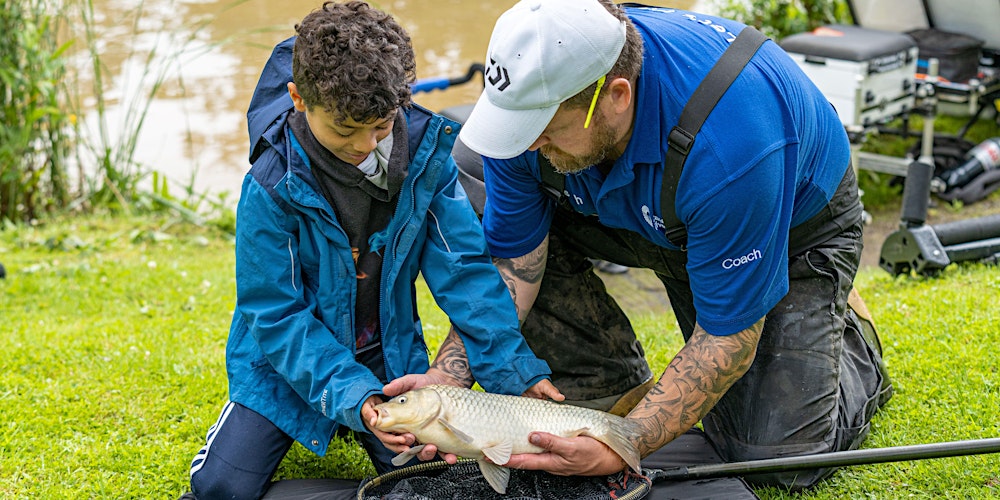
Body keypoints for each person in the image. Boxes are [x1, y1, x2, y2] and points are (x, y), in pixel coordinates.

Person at [454, 0, 894, 490]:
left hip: (787, 224)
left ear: (616, 96)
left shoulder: (731, 145)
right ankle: (601, 379)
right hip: (640, 207)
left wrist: (626, 439)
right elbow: (515, 265)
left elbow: (726, 342)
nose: (526, 143)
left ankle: (839, 327)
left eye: (543, 130)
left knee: (775, 457)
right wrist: (445, 388)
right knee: (475, 173)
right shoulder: (532, 104)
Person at [183, 2, 560, 498]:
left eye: (381, 125)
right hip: (285, 363)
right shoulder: (271, 184)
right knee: (221, 488)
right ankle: (286, 424)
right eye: (344, 131)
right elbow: (275, 314)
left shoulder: (428, 159)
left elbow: (465, 273)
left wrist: (515, 371)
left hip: (391, 360)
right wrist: (353, 395)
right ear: (298, 98)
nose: (365, 145)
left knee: (428, 482)